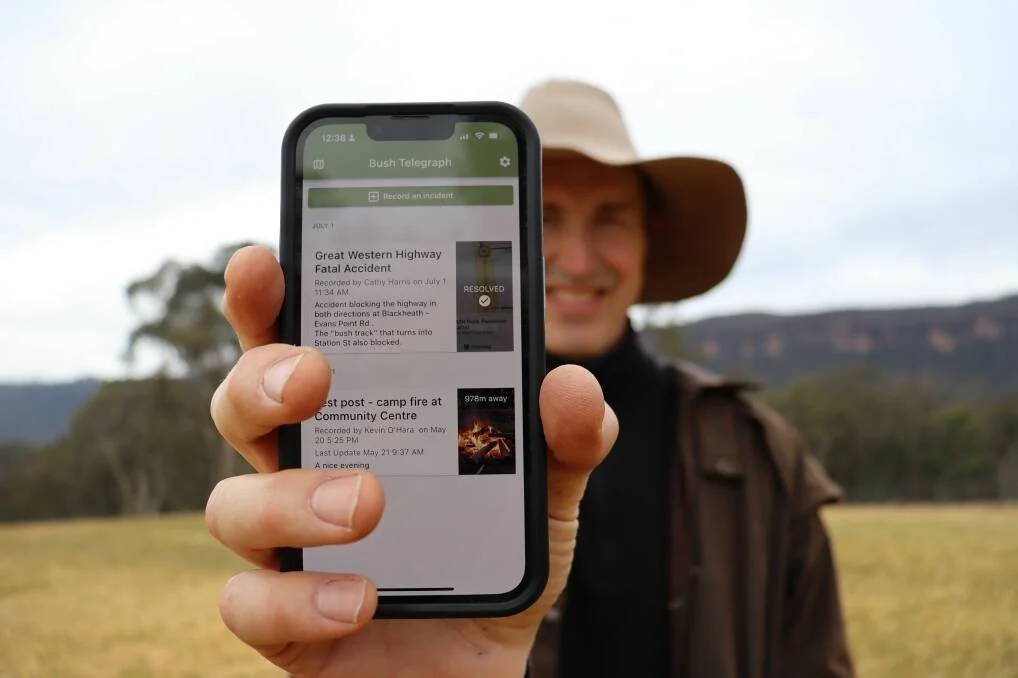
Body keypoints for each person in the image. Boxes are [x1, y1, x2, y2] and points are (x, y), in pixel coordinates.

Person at [204, 79, 856, 677]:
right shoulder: (403, 428)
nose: (575, 259)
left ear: (649, 236)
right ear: (492, 231)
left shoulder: (759, 456)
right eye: (544, 216)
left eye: (610, 217)